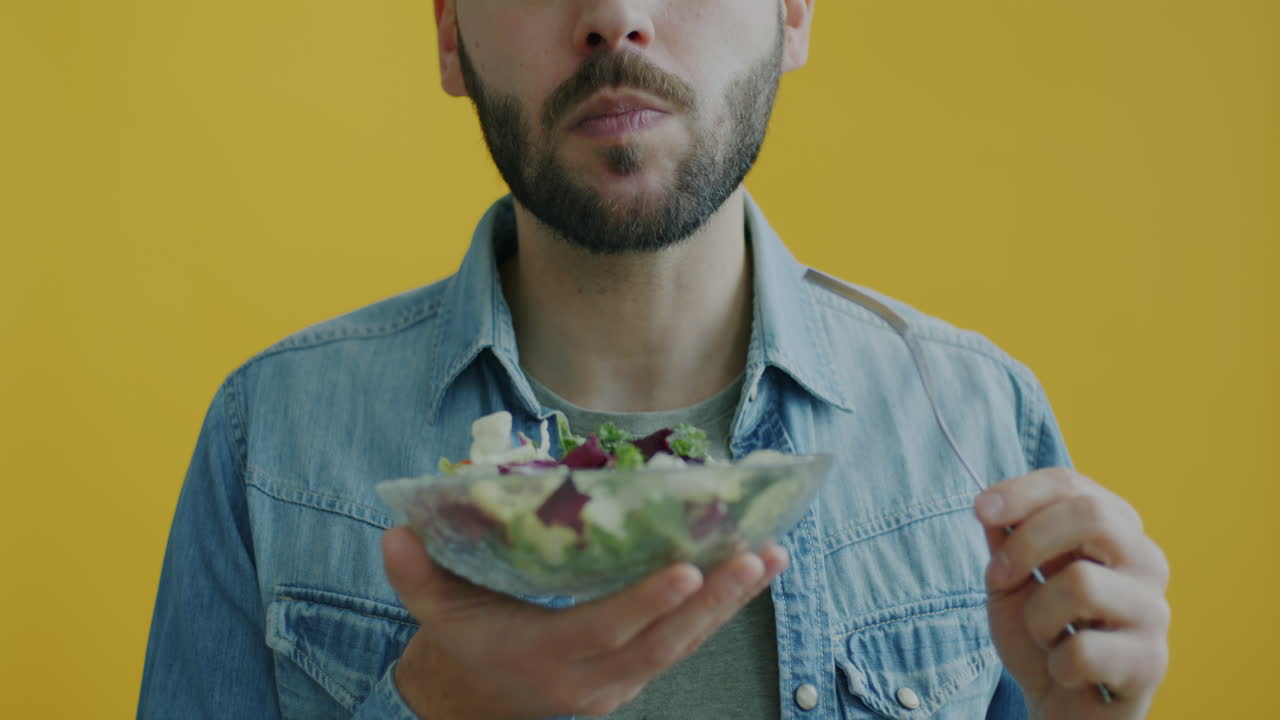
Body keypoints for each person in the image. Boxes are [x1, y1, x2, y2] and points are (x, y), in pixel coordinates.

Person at [138, 1, 1171, 718]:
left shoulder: (978, 421)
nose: (614, 16)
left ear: (792, 11)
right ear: (451, 35)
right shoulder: (267, 440)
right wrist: (437, 708)